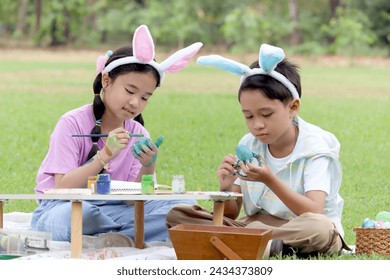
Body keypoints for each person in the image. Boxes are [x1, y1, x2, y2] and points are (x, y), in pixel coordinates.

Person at [166, 44, 350, 258]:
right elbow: (232, 213)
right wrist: (226, 188)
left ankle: (244, 242)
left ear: (292, 107)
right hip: (254, 225)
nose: (257, 125)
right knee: (178, 214)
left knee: (320, 228)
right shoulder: (249, 143)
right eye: (249, 116)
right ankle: (259, 243)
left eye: (266, 114)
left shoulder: (315, 148)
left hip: (302, 227)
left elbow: (314, 210)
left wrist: (270, 180)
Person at [31, 25, 202, 247]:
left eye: (145, 98)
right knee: (85, 215)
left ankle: (112, 238)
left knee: (184, 207)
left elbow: (133, 200)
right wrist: (104, 156)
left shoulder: (138, 133)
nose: (135, 103)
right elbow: (62, 188)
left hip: (117, 210)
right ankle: (130, 235)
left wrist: (148, 165)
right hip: (64, 206)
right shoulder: (71, 123)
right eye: (130, 91)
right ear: (106, 81)